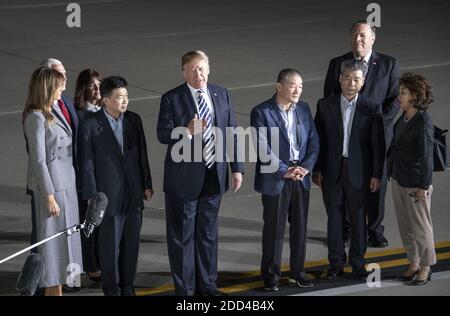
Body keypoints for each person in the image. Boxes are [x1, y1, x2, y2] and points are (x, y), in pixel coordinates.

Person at [157, 50, 244, 296]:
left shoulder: (221, 93)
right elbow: (162, 133)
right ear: (184, 72)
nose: (199, 74)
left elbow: (231, 132)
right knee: (183, 238)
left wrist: (236, 168)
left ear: (209, 69)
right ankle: (185, 292)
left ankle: (208, 287)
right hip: (183, 180)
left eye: (202, 68)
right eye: (193, 69)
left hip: (214, 176)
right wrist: (185, 130)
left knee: (208, 236)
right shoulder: (172, 98)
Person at [323, 21, 400, 248]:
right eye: (355, 35)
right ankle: (347, 228)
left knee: (377, 183)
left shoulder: (388, 64)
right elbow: (329, 97)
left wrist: (375, 122)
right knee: (347, 182)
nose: (358, 39)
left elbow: (394, 100)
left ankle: (374, 228)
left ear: (373, 38)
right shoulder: (337, 63)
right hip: (348, 134)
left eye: (363, 35)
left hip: (378, 135)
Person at [78, 76, 153, 296]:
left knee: (132, 245)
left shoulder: (134, 120)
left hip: (134, 193)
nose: (125, 101)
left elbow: (142, 155)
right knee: (109, 247)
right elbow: (86, 163)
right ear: (106, 100)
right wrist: (92, 196)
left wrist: (146, 184)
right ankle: (111, 289)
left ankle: (128, 286)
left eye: (127, 96)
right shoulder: (89, 125)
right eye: (120, 97)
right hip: (107, 196)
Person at [313, 60, 385, 280]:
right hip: (332, 172)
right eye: (347, 78)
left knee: (357, 220)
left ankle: (358, 264)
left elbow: (377, 145)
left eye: (356, 79)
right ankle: (335, 264)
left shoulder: (372, 108)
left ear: (362, 83)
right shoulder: (325, 105)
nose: (351, 83)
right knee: (334, 220)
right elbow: (319, 141)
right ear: (339, 79)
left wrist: (376, 174)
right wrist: (317, 169)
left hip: (360, 174)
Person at [250, 69, 319, 291]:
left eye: (300, 86)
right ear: (278, 87)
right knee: (274, 230)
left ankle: (298, 272)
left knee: (299, 228)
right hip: (276, 179)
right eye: (292, 85)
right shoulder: (261, 111)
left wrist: (306, 168)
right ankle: (271, 276)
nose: (297, 90)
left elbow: (313, 141)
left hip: (301, 177)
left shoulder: (304, 108)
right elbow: (261, 146)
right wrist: (283, 170)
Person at [23, 67, 83, 296]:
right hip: (53, 190)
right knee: (52, 254)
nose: (63, 89)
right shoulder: (35, 117)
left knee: (65, 253)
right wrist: (48, 196)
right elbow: (38, 161)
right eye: (59, 85)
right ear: (48, 87)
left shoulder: (53, 112)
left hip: (67, 187)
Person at [387, 73, 436, 285]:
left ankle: (426, 266)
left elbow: (427, 156)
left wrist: (423, 186)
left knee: (421, 227)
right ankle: (414, 262)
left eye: (403, 93)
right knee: (406, 226)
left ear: (415, 95)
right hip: (399, 178)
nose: (399, 97)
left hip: (416, 183)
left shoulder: (422, 121)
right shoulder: (405, 116)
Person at [74, 68, 102, 282]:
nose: (96, 89)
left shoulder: (104, 112)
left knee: (101, 224)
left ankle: (99, 263)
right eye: (92, 85)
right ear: (83, 87)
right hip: (86, 178)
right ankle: (90, 266)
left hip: (105, 176)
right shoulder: (78, 114)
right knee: (88, 224)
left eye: (99, 85)